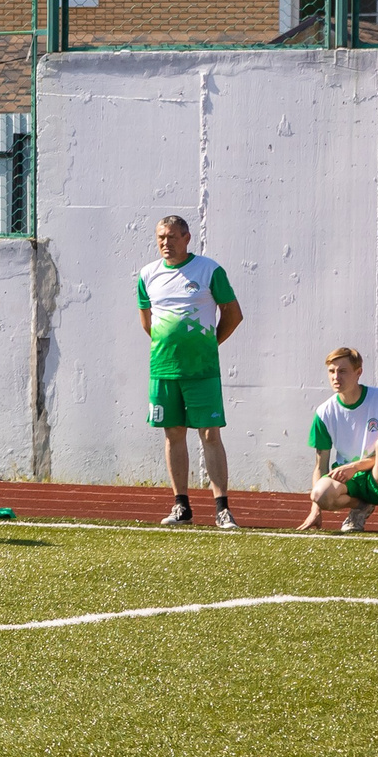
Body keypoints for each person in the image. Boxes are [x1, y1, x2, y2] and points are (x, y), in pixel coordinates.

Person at [138, 214, 242, 529]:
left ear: (186, 237)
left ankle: (222, 507)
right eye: (160, 238)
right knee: (173, 434)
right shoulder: (147, 274)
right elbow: (148, 321)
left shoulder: (209, 270)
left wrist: (209, 345)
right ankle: (181, 505)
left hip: (203, 370)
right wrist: (168, 346)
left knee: (210, 434)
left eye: (171, 237)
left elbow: (233, 314)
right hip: (164, 369)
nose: (165, 244)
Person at [295, 347, 378, 536]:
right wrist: (315, 509)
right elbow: (320, 466)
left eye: (342, 371)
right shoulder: (324, 412)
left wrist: (355, 467)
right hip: (349, 481)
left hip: (377, 475)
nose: (336, 377)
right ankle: (361, 507)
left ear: (358, 372)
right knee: (319, 494)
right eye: (332, 371)